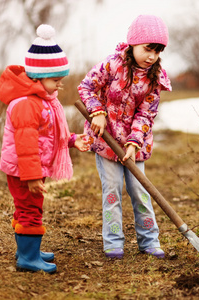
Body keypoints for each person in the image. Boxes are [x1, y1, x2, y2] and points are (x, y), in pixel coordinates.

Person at [78, 14, 172, 259]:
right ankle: (113, 242)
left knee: (140, 192)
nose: (152, 55)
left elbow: (146, 114)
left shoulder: (155, 78)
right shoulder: (112, 65)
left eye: (158, 50)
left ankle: (149, 241)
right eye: (147, 49)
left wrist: (134, 143)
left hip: (135, 146)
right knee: (112, 191)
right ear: (133, 43)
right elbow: (86, 87)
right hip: (106, 140)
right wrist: (97, 112)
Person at [0, 24, 90, 273]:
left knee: (27, 208)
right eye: (55, 80)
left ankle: (27, 250)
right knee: (30, 210)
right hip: (24, 170)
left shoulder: (43, 100)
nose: (60, 86)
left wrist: (71, 140)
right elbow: (26, 145)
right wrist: (31, 176)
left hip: (28, 168)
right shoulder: (27, 103)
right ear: (38, 76)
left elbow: (48, 133)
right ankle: (28, 258)